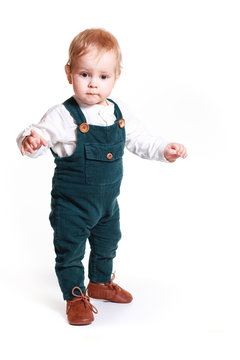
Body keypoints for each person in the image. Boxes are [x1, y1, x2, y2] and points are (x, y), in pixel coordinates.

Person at [17, 28, 187, 326]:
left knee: (108, 243)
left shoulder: (118, 113)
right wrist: (30, 141)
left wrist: (164, 150)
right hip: (72, 205)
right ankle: (74, 296)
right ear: (69, 73)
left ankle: (99, 282)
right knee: (70, 251)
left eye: (103, 77)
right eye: (85, 74)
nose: (93, 84)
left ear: (115, 77)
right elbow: (38, 134)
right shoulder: (63, 115)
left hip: (108, 204)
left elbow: (139, 140)